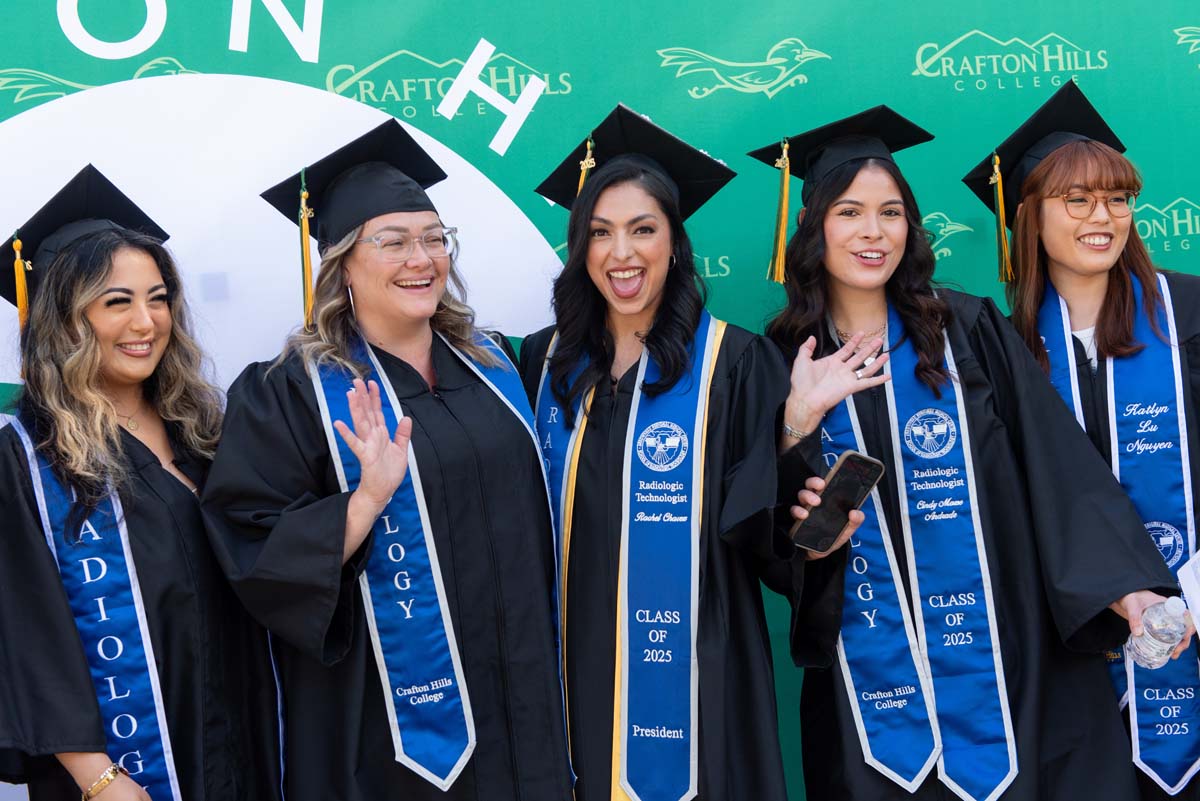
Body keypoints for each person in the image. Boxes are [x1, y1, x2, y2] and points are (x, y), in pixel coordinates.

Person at [749, 105, 1189, 801]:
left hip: (1010, 662)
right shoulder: (774, 363)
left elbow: (1056, 466)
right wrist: (798, 422)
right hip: (875, 696)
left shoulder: (967, 330)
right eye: (850, 212)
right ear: (813, 230)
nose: (873, 232)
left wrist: (1128, 586)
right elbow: (769, 546)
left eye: (891, 213)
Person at [201, 119, 572, 801]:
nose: (421, 258)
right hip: (392, 733)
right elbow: (252, 551)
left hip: (527, 708)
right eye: (393, 241)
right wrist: (366, 499)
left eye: (435, 239)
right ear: (343, 263)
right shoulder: (289, 392)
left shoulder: (498, 364)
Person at [522, 104, 834, 801]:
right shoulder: (544, 363)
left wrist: (795, 431)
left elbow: (769, 529)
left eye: (643, 229)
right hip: (569, 662)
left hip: (699, 665)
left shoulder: (734, 360)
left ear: (674, 242)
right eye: (600, 232)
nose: (621, 253)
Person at [0, 165, 282, 801]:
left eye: (158, 298)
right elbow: (26, 632)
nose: (146, 322)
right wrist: (98, 778)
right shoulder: (26, 456)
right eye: (116, 302)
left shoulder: (204, 429)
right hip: (122, 776)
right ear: (65, 319)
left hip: (241, 734)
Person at [964, 81, 1200, 799]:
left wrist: (1184, 598)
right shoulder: (1000, 355)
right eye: (1078, 199)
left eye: (1117, 198)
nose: (1104, 216)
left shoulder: (1191, 314)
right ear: (1028, 215)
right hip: (1080, 669)